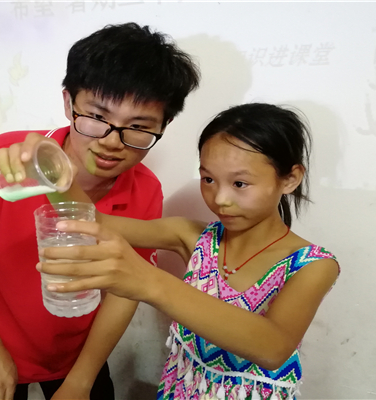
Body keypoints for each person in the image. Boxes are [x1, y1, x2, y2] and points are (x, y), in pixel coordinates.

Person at [0, 22, 199, 400]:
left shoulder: (145, 190)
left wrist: (81, 379)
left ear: (164, 126)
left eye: (137, 127)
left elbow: (125, 290)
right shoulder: (4, 163)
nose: (111, 143)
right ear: (69, 103)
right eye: (97, 117)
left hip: (77, 355)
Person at [36, 103, 341, 399]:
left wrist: (150, 282)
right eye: (208, 179)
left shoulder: (312, 265)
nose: (220, 198)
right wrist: (46, 163)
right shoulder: (193, 236)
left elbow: (273, 348)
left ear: (290, 179)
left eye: (240, 183)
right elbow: (93, 219)